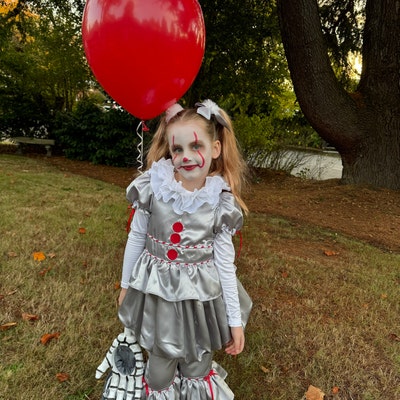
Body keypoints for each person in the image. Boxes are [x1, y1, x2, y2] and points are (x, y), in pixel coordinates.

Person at [117, 99, 251, 399]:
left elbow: (226, 267)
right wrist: (126, 285)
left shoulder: (220, 204)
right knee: (160, 366)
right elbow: (136, 237)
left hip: (201, 301)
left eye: (196, 147)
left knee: (197, 364)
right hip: (159, 297)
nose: (186, 157)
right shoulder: (154, 187)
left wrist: (234, 321)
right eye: (178, 149)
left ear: (215, 149)